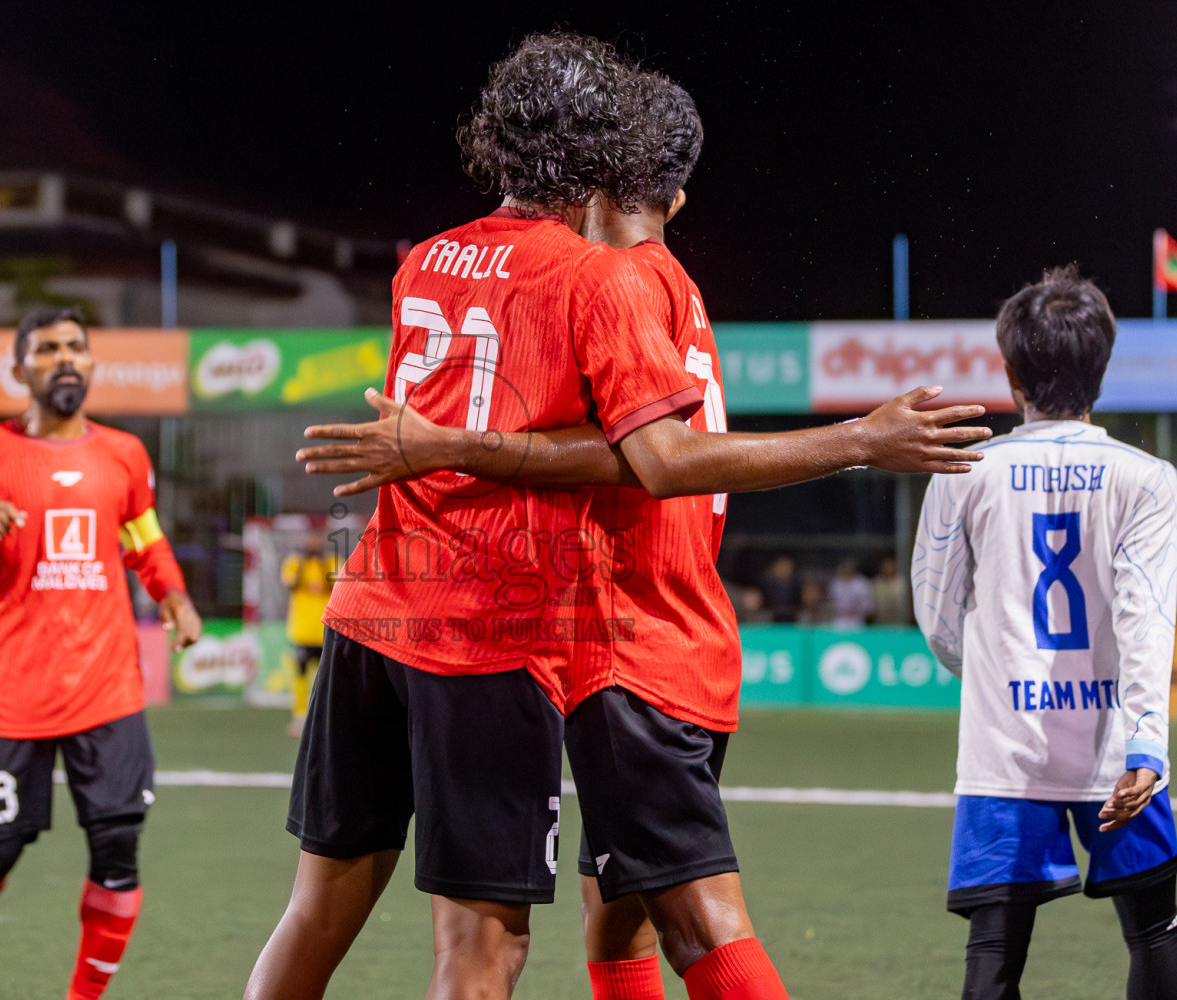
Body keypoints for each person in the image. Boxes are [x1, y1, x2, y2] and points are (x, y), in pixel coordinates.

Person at [296, 62, 991, 1000]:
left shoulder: (587, 280)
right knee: (613, 910)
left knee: (673, 920)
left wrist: (862, 439)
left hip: (608, 641)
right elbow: (641, 449)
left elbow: (655, 457)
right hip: (666, 632)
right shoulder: (669, 287)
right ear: (673, 188)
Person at [912, 266, 1177, 1000]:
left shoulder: (963, 470)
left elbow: (936, 614)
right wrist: (1147, 744)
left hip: (1004, 750)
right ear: (1101, 366)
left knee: (994, 954)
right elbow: (1146, 618)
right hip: (1116, 745)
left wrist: (996, 672)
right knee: (1153, 930)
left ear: (1010, 374)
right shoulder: (1148, 477)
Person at [0, 307, 201, 1000]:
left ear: (93, 363)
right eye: (47, 349)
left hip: (108, 690)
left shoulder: (124, 454)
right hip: (12, 694)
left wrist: (175, 594)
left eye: (76, 347)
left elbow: (144, 537)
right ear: (19, 371)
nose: (65, 358)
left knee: (117, 852)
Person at [280, 538, 337, 737]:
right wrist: (306, 562)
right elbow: (291, 584)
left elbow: (336, 587)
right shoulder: (295, 562)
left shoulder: (332, 561)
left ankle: (328, 718)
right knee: (301, 674)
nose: (313, 541)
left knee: (329, 677)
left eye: (316, 537)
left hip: (327, 630)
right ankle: (299, 716)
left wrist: (320, 563)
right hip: (302, 630)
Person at [826, 559, 872, 628]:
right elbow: (830, 602)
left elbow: (868, 605)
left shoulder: (861, 583)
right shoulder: (835, 583)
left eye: (849, 568)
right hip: (839, 620)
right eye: (844, 568)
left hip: (857, 620)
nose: (847, 570)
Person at [870, 554, 908, 626]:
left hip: (898, 620)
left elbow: (904, 602)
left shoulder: (900, 582)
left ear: (895, 567)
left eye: (890, 566)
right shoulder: (876, 583)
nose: (888, 569)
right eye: (885, 566)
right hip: (880, 620)